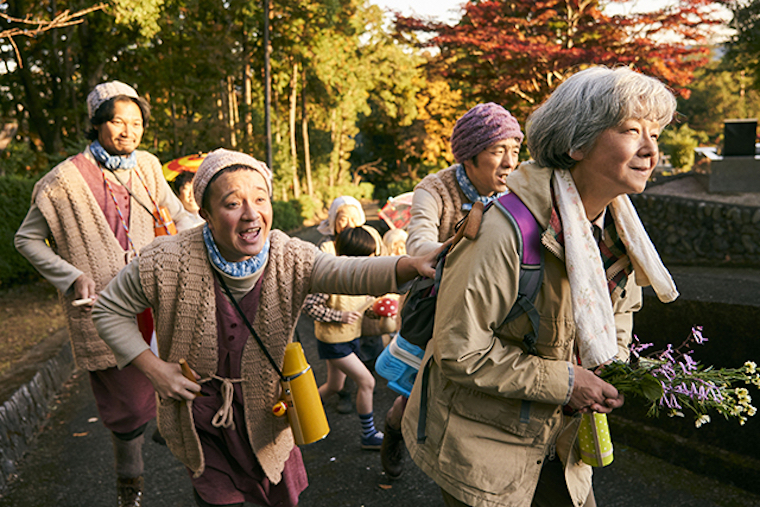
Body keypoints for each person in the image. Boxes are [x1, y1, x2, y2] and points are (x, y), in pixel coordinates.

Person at [91, 148, 437, 507]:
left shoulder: (288, 255)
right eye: (232, 204)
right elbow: (108, 310)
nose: (251, 214)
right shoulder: (166, 259)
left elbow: (347, 272)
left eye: (260, 199)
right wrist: (155, 370)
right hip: (203, 420)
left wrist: (409, 265)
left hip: (269, 412)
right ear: (205, 213)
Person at [401, 66, 681, 507]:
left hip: (562, 441)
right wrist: (568, 382)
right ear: (577, 143)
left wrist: (612, 366)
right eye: (631, 130)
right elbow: (459, 349)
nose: (650, 149)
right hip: (484, 452)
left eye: (656, 134)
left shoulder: (618, 230)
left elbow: (621, 309)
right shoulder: (504, 231)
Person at [14, 80, 197, 506]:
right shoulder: (62, 181)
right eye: (117, 121)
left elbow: (178, 215)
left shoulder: (148, 166)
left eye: (136, 123)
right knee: (129, 412)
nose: (128, 130)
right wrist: (71, 275)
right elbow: (27, 240)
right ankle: (128, 492)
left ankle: (205, 483)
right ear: (96, 124)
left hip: (159, 297)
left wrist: (209, 234)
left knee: (190, 385)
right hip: (105, 309)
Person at [381, 102, 524, 480]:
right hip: (438, 305)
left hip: (495, 308)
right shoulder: (434, 188)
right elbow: (419, 242)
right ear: (469, 157)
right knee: (418, 395)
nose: (510, 162)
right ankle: (395, 428)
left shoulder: (520, 187)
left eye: (515, 150)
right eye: (498, 151)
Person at [303, 227, 386, 450]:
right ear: (353, 255)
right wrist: (340, 316)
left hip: (350, 338)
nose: (371, 259)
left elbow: (357, 307)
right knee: (367, 381)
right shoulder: (331, 276)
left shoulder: (358, 276)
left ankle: (301, 412)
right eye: (367, 255)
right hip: (333, 342)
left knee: (333, 385)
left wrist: (372, 311)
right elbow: (309, 306)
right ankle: (368, 435)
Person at [315, 195, 387, 413]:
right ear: (333, 221)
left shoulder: (370, 236)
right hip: (338, 321)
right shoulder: (327, 248)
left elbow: (381, 263)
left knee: (368, 351)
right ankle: (351, 399)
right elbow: (313, 302)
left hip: (363, 310)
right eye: (343, 219)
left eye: (354, 218)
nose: (349, 224)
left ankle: (307, 410)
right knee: (354, 376)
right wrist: (340, 315)